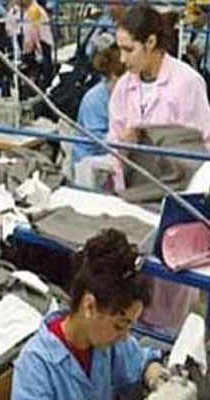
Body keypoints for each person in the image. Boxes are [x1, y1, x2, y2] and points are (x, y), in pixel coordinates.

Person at [109, 4, 210, 333]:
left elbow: (202, 147)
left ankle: (170, 343)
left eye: (129, 49)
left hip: (174, 199)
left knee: (171, 289)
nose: (122, 59)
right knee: (134, 282)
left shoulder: (187, 83)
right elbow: (112, 143)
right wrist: (123, 143)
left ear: (151, 43)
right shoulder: (124, 87)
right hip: (134, 196)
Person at [11, 229, 165, 400]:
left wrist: (158, 379)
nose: (125, 336)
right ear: (89, 306)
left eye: (129, 326)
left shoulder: (108, 341)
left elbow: (140, 362)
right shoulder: (35, 368)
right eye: (119, 325)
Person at [73, 43, 125, 188]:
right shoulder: (94, 100)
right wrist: (124, 137)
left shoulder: (123, 97)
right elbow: (97, 139)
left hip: (113, 155)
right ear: (112, 76)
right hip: (90, 161)